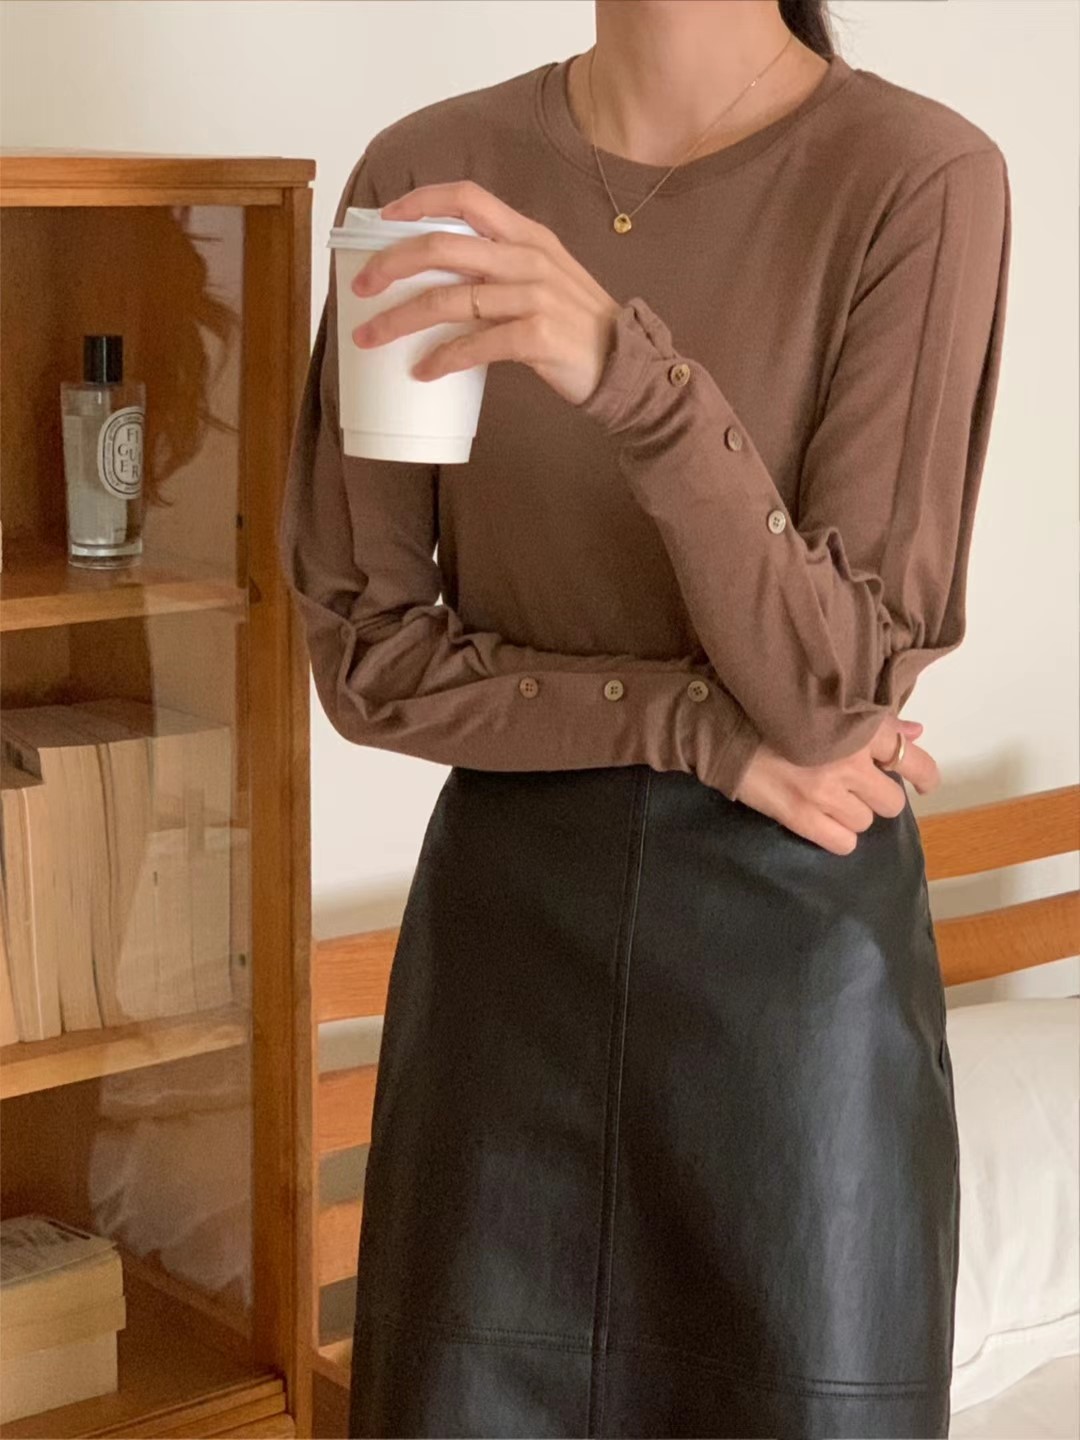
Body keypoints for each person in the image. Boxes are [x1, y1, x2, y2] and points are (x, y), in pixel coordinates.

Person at [278, 1, 1011, 1435]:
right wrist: (697, 731)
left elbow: (828, 687)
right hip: (504, 977)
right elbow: (370, 653)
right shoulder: (423, 178)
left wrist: (630, 373)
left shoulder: (917, 177)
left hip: (794, 998)